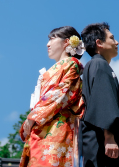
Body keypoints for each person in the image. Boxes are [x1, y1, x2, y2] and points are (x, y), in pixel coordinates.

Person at [19, 26, 87, 167]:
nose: (47, 44)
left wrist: (33, 117)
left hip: (57, 128)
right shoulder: (56, 68)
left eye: (52, 39)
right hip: (43, 126)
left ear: (66, 42)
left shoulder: (72, 65)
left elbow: (60, 94)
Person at [80, 23, 119, 167]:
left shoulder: (95, 65)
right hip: (102, 142)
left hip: (98, 140)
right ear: (99, 43)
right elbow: (103, 100)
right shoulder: (98, 65)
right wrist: (109, 137)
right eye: (112, 38)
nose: (117, 42)